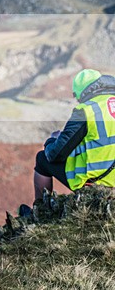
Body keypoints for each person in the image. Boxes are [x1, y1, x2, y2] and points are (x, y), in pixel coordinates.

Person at [34, 69, 115, 198]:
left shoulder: (86, 110)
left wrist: (52, 141)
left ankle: (40, 207)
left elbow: (56, 154)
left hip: (99, 183)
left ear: (82, 94)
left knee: (42, 159)